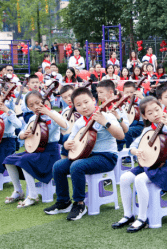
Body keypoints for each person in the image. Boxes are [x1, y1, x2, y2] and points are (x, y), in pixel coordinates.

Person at [45, 87, 124, 220]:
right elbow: (71, 140)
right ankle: (64, 202)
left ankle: (79, 204)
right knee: (58, 166)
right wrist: (66, 144)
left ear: (94, 100)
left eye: (86, 102)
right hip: (85, 156)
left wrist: (105, 123)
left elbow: (121, 136)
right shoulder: (79, 122)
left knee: (77, 166)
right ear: (74, 107)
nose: (84, 107)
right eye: (79, 105)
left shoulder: (107, 116)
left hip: (107, 157)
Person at [112, 96, 167, 232]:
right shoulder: (147, 130)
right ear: (145, 117)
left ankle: (142, 217)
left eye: (157, 110)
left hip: (165, 165)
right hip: (147, 164)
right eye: (150, 113)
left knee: (140, 179)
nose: (155, 114)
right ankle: (128, 214)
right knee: (124, 178)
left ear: (162, 108)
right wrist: (136, 151)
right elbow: (133, 147)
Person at [3, 91, 68, 208]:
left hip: (50, 153)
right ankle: (18, 191)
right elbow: (22, 133)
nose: (35, 107)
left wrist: (48, 112)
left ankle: (32, 195)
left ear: (43, 101)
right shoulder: (33, 118)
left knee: (25, 160)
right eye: (31, 105)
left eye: (37, 103)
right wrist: (23, 135)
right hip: (36, 151)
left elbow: (65, 125)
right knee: (8, 159)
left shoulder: (52, 113)